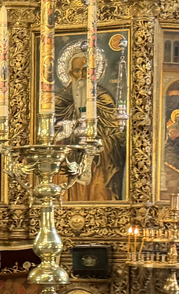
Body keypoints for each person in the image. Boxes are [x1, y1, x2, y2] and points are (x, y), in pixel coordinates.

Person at [53, 52, 127, 200]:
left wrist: (99, 143)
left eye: (86, 70)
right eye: (77, 70)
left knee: (100, 192)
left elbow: (117, 135)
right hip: (66, 163)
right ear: (69, 73)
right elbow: (47, 137)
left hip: (97, 163)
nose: (81, 75)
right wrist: (62, 135)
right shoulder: (60, 100)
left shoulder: (103, 99)